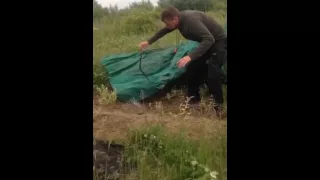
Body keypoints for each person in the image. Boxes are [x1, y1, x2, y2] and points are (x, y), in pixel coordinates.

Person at [138, 6, 227, 112]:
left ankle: (218, 107)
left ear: (175, 19)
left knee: (213, 73)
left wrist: (190, 56)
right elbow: (165, 30)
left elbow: (209, 39)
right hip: (208, 43)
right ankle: (194, 100)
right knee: (192, 67)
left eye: (168, 23)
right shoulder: (179, 19)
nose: (167, 26)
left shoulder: (190, 21)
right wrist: (149, 42)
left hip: (219, 42)